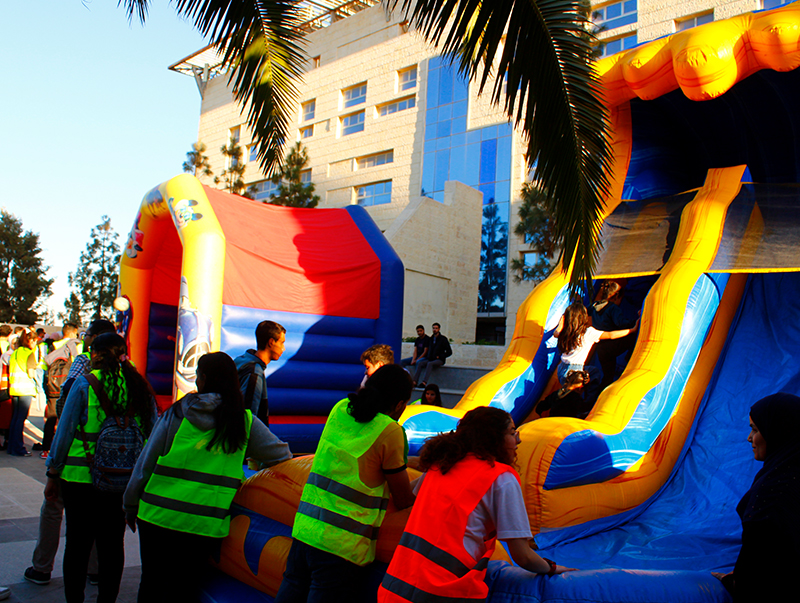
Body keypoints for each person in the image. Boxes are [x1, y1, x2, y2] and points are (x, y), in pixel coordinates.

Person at [124, 351, 292, 603]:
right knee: (183, 590)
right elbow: (282, 455)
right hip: (202, 525)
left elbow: (145, 463)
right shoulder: (243, 421)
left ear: (202, 379)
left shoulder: (177, 413)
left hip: (157, 517)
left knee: (151, 585)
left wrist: (130, 504)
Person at [379, 406, 575, 602]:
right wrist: (553, 567)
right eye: (512, 432)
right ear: (494, 438)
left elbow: (407, 493)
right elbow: (522, 555)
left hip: (394, 588)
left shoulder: (442, 465)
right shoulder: (500, 478)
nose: (518, 440)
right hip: (444, 592)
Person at [275, 364, 416, 603]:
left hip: (306, 531)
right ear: (400, 404)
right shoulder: (390, 431)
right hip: (341, 546)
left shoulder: (341, 409)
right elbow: (403, 498)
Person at [45, 333, 157, 603]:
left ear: (94, 354)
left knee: (77, 544)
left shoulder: (84, 384)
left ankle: (75, 600)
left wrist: (53, 473)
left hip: (79, 479)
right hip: (121, 480)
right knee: (112, 545)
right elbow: (152, 432)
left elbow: (65, 432)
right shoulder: (138, 386)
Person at [24, 320, 115, 587]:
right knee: (99, 518)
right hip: (113, 466)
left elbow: (66, 416)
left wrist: (53, 469)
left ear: (94, 340)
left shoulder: (83, 364)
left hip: (76, 463)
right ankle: (95, 570)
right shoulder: (128, 373)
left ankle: (42, 567)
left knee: (55, 510)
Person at [712, 393, 800, 602]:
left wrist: (735, 581)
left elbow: (760, 580)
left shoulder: (772, 494)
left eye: (756, 429)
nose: (749, 438)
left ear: (778, 431)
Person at [555, 301, 639, 403]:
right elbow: (611, 335)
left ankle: (580, 401)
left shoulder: (565, 332)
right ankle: (588, 402)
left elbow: (556, 333)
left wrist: (561, 324)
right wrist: (632, 330)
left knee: (593, 372)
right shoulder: (588, 333)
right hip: (574, 372)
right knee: (574, 396)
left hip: (561, 369)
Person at [234, 320, 286, 426]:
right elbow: (248, 418)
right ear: (271, 342)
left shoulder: (242, 362)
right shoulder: (254, 373)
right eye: (281, 343)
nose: (283, 348)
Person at [590, 281, 638, 390]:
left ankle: (600, 392)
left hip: (601, 347)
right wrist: (634, 323)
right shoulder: (613, 308)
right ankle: (630, 357)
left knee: (608, 375)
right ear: (616, 297)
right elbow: (620, 323)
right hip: (611, 345)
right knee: (633, 336)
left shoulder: (595, 305)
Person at [7, 329, 38, 457]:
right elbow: (31, 373)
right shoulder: (29, 353)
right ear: (30, 340)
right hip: (25, 389)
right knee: (21, 419)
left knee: (15, 418)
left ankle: (11, 447)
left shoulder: (15, 352)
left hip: (14, 388)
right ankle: (19, 448)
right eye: (35, 341)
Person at [413, 323, 452, 388]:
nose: (435, 330)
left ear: (439, 329)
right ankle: (415, 381)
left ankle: (424, 382)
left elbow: (449, 352)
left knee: (430, 364)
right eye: (433, 328)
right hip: (431, 359)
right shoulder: (431, 339)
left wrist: (440, 356)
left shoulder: (443, 339)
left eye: (436, 328)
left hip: (439, 360)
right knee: (420, 363)